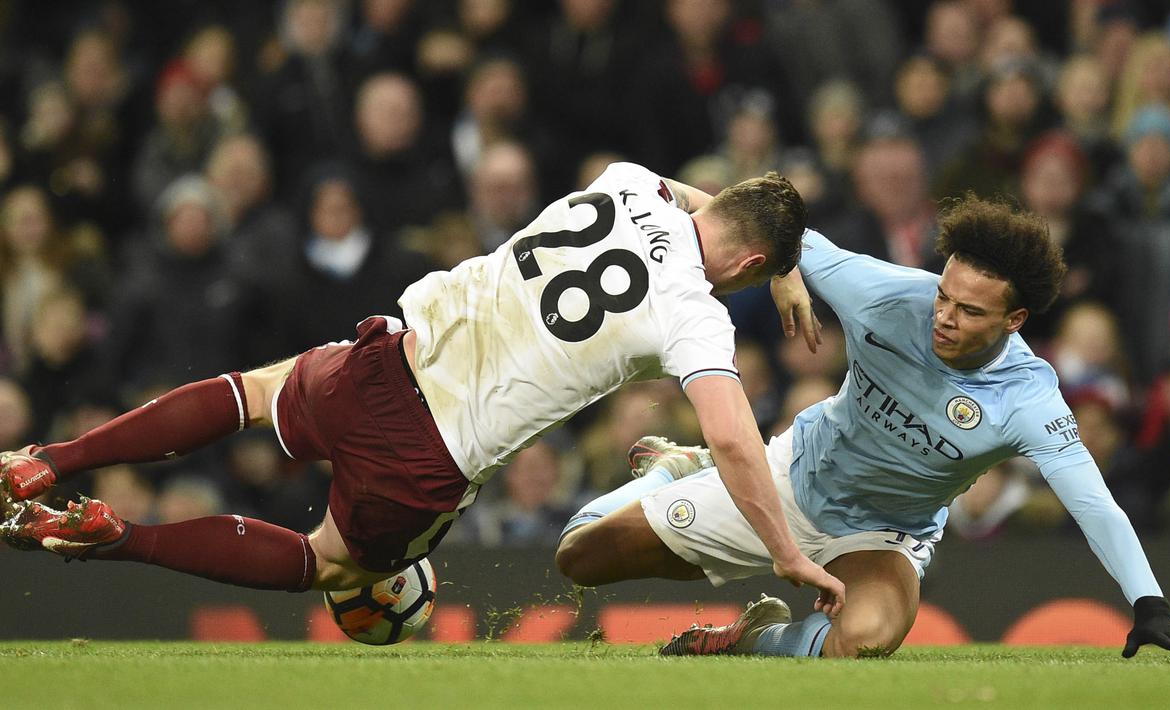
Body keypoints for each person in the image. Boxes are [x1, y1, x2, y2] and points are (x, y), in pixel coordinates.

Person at [0, 162, 844, 613]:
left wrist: (780, 262)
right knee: (328, 567)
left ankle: (49, 459)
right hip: (427, 454)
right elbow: (732, 440)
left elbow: (694, 202)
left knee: (260, 388)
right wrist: (784, 552)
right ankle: (119, 537)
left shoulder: (625, 182)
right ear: (748, 268)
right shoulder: (696, 316)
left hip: (384, 356)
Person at [554, 195, 1170, 659]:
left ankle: (757, 637)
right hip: (786, 479)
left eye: (969, 311)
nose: (944, 317)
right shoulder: (883, 291)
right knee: (579, 554)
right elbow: (747, 215)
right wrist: (783, 270)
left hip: (880, 536)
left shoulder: (1028, 399)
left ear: (1013, 320)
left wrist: (1147, 602)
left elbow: (1092, 502)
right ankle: (681, 468)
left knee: (864, 639)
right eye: (943, 296)